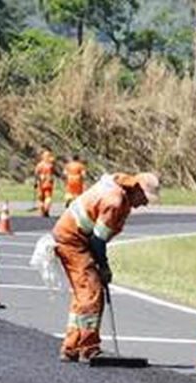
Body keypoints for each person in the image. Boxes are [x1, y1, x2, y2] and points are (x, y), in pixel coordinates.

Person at [52, 172, 160, 362]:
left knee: (83, 293)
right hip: (73, 240)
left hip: (77, 238)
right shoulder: (114, 201)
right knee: (91, 292)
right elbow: (98, 240)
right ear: (136, 189)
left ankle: (71, 347)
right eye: (144, 198)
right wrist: (104, 267)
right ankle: (88, 347)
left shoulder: (120, 192)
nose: (145, 203)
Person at [34, 149, 59, 218]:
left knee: (41, 198)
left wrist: (36, 182)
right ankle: (46, 210)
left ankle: (42, 211)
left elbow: (36, 174)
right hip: (48, 182)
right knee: (48, 197)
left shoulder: (39, 165)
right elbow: (55, 172)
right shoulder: (50, 165)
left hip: (41, 182)